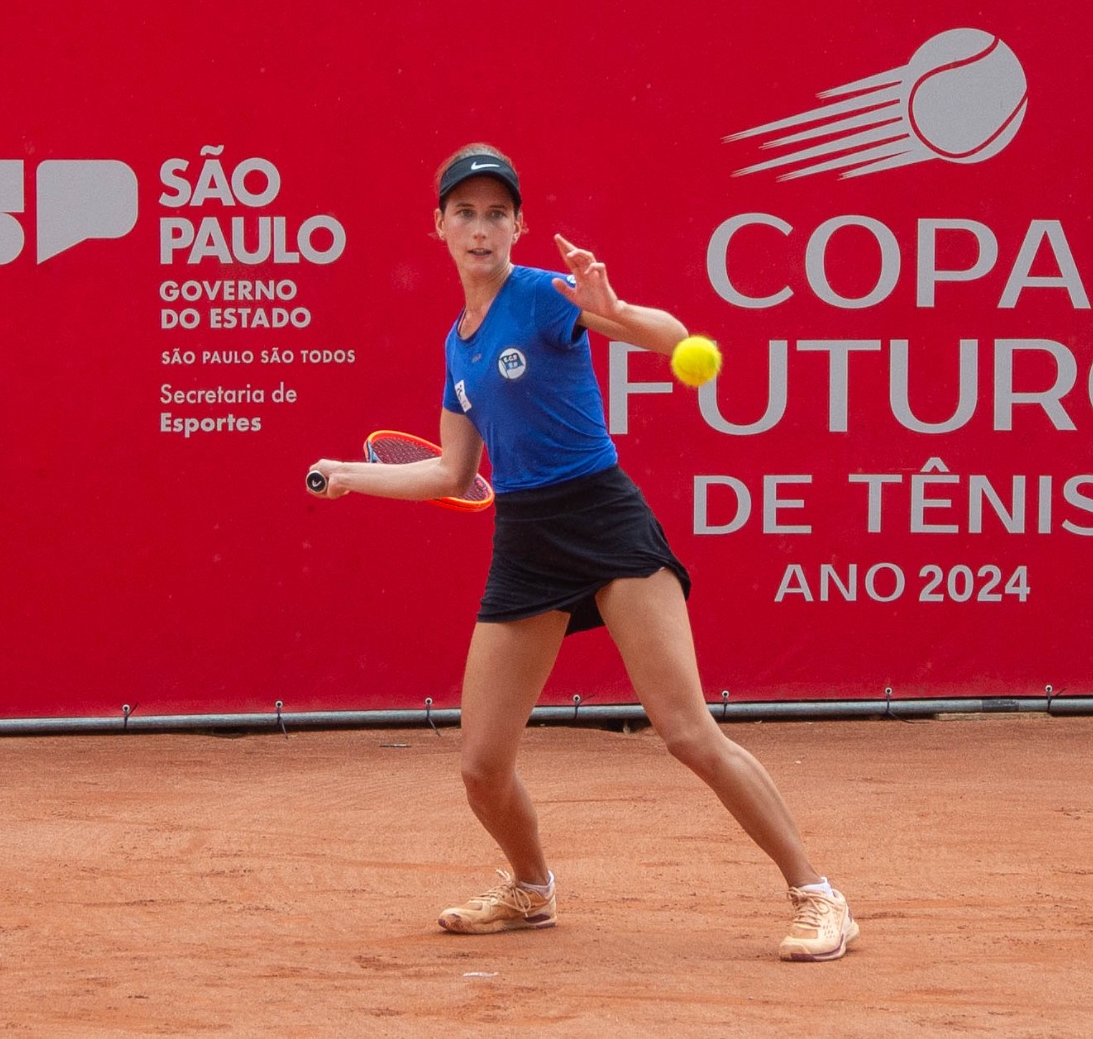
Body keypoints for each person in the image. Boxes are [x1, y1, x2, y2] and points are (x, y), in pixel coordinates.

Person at [308, 144, 855, 962]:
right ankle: (531, 890)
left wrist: (616, 308)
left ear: (518, 227)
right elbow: (453, 473)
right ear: (440, 226)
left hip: (602, 519)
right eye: (466, 213)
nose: (481, 228)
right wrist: (350, 475)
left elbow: (675, 339)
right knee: (481, 766)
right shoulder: (458, 344)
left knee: (687, 732)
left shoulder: (542, 295)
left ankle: (819, 895)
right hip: (527, 538)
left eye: (497, 214)